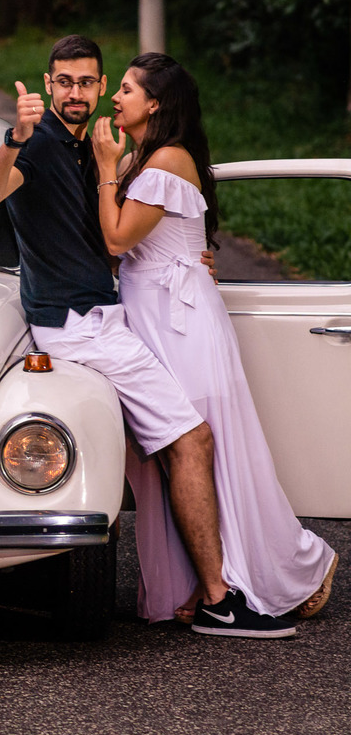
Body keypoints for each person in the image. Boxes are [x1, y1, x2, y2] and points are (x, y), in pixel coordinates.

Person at [0, 35, 296, 638]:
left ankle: (178, 590)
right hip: (78, 325)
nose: (77, 92)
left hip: (105, 315)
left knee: (148, 456)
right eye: (64, 81)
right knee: (192, 439)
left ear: (95, 89)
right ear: (47, 85)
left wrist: (186, 258)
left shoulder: (94, 148)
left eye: (89, 82)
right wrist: (13, 136)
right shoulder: (39, 146)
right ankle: (223, 597)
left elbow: (123, 233)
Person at [91, 52, 337, 633]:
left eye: (126, 89)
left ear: (154, 103)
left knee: (204, 451)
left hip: (181, 326)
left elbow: (116, 238)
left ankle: (287, 566)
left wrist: (106, 167)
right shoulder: (146, 159)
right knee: (177, 458)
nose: (115, 98)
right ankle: (203, 581)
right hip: (155, 317)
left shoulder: (166, 159)